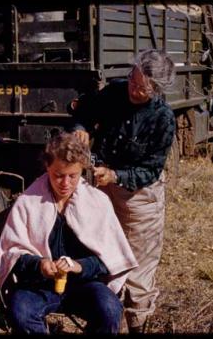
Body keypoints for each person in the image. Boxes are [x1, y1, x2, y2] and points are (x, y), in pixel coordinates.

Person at [68, 49, 176, 333]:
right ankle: (104, 321)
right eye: (132, 80)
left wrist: (116, 175)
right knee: (101, 255)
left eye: (141, 88)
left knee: (138, 271)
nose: (133, 89)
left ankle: (138, 324)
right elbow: (84, 111)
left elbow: (150, 170)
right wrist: (80, 127)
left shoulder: (163, 119)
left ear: (156, 90)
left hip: (140, 196)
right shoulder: (115, 92)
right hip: (102, 186)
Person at [0, 132, 138, 334]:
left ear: (82, 170)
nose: (65, 183)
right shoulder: (28, 202)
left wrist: (79, 266)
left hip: (84, 285)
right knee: (21, 311)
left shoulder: (97, 202)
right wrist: (40, 264)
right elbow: (12, 255)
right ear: (47, 167)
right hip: (40, 285)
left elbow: (109, 260)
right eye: (58, 175)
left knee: (110, 310)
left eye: (73, 176)